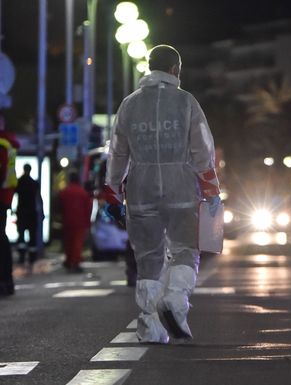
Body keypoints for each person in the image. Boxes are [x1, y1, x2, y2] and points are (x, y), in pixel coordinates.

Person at [105, 45, 221, 344]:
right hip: (180, 187)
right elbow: (202, 150)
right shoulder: (186, 102)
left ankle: (150, 328)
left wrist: (112, 193)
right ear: (175, 70)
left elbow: (117, 152)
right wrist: (211, 189)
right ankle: (175, 301)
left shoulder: (129, 105)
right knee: (185, 249)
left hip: (141, 189)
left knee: (148, 258)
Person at [59, 171, 92, 273]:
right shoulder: (83, 193)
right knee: (77, 243)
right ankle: (75, 263)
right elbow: (88, 208)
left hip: (67, 221)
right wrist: (88, 222)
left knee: (68, 243)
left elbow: (59, 206)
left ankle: (69, 261)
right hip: (80, 222)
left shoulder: (64, 192)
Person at [0, 123, 19, 296]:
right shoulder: (7, 142)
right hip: (5, 197)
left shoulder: (2, 145)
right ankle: (6, 280)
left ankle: (5, 280)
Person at [15, 164, 43, 269]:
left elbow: (14, 196)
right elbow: (39, 198)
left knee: (21, 236)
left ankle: (22, 257)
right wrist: (42, 212)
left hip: (21, 212)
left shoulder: (19, 182)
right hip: (32, 213)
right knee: (32, 237)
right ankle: (32, 257)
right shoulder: (34, 183)